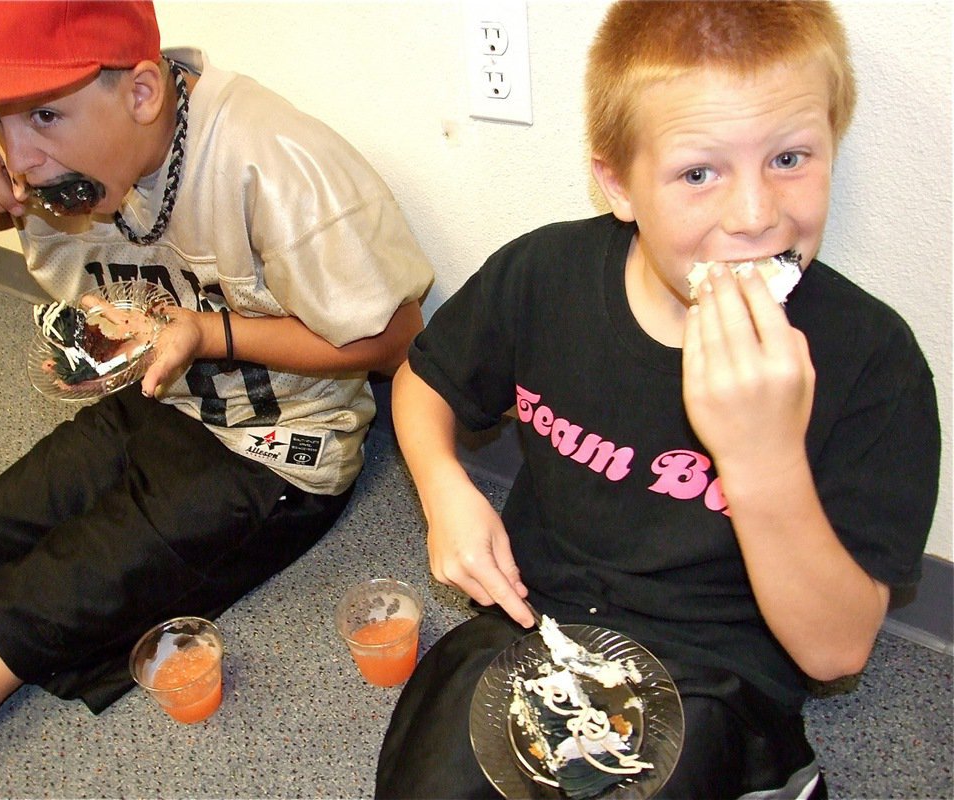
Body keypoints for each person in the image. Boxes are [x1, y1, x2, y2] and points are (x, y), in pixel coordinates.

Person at [0, 1, 433, 797]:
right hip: (160, 400)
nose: (20, 155)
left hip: (272, 457)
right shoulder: (64, 157)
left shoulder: (273, 159)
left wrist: (209, 334)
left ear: (143, 94)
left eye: (43, 114)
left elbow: (395, 338)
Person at [377, 2, 939, 798]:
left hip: (722, 668)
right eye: (699, 172)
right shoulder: (545, 276)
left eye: (790, 158)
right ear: (618, 182)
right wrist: (444, 490)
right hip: (541, 623)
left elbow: (837, 653)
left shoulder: (873, 361)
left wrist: (761, 456)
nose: (755, 216)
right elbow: (422, 381)